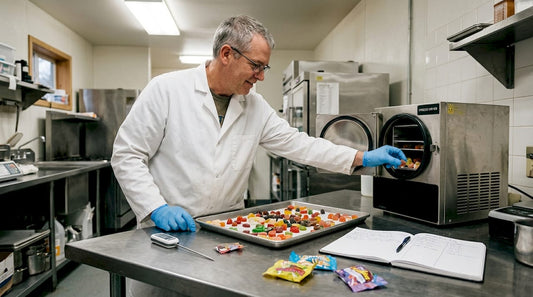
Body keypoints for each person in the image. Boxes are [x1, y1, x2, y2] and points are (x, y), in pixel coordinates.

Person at [111, 14, 405, 296]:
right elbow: (127, 154)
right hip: (167, 235)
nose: (261, 76)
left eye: (265, 68)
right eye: (256, 65)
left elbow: (298, 144)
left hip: (226, 234)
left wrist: (361, 157)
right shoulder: (166, 90)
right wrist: (156, 207)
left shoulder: (255, 105)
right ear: (227, 54)